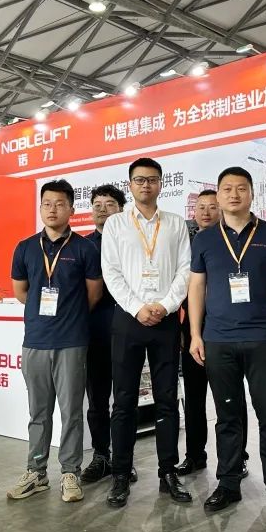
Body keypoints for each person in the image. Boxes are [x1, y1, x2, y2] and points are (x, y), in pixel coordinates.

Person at [188, 167, 266, 517]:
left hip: (264, 338)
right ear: (218, 195)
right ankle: (229, 483)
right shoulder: (204, 239)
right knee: (227, 416)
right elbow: (197, 287)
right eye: (227, 189)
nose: (234, 195)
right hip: (218, 340)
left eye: (241, 188)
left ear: (252, 193)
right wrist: (195, 334)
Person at [101, 158, 192, 507]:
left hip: (165, 320)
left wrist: (165, 306)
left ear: (161, 184)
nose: (146, 185)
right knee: (124, 400)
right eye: (139, 180)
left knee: (167, 399)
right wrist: (137, 307)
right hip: (128, 319)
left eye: (152, 180)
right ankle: (121, 474)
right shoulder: (116, 224)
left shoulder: (175, 223)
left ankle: (168, 472)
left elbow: (185, 270)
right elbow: (111, 272)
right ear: (130, 185)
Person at [7, 179, 103, 504]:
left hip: (71, 342)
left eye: (60, 204)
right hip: (35, 341)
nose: (52, 209)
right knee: (38, 412)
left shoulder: (85, 249)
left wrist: (68, 315)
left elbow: (93, 294)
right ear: (40, 208)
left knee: (71, 411)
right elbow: (21, 292)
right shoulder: (25, 248)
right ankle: (36, 473)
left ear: (71, 209)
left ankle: (70, 473)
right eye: (47, 203)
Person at [81, 184, 130, 485]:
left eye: (110, 204)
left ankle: (124, 460)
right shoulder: (83, 246)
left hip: (128, 330)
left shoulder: (133, 242)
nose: (102, 209)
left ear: (121, 209)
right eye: (97, 204)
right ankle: (101, 456)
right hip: (95, 332)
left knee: (125, 400)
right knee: (97, 400)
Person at [176, 189, 220, 477]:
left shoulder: (229, 242)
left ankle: (236, 457)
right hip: (191, 327)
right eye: (200, 207)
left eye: (212, 207)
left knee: (228, 398)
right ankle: (194, 455)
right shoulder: (187, 246)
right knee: (193, 397)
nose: (205, 212)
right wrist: (185, 330)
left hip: (222, 327)